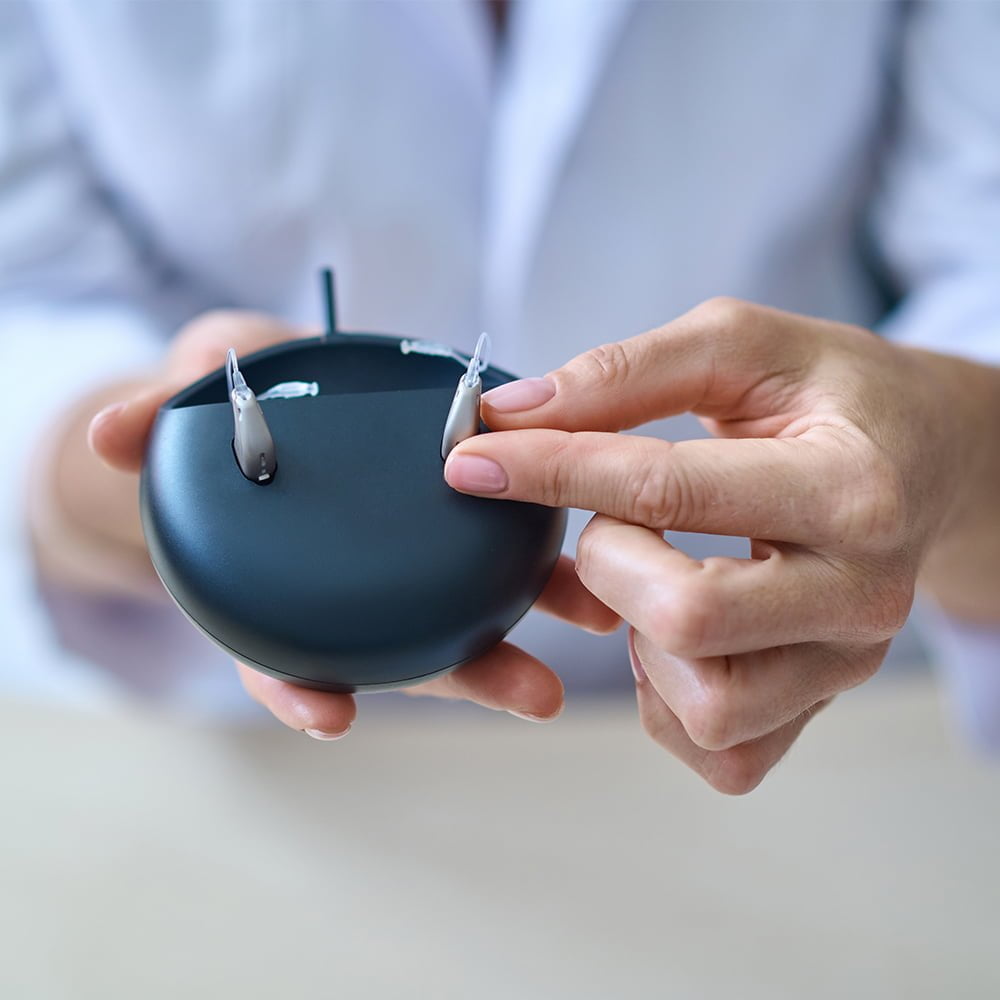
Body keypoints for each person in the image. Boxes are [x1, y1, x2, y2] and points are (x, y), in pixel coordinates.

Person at [5, 0, 1000, 793]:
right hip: (223, 773)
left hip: (853, 746)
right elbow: (24, 279)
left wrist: (957, 449)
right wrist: (91, 484)